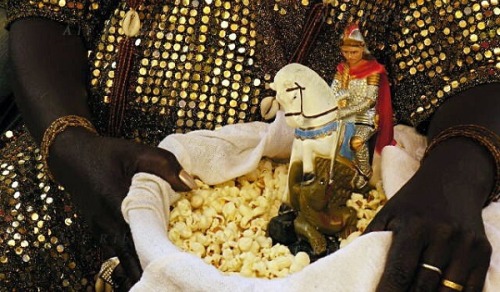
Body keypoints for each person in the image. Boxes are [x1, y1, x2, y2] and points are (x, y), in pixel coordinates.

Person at [1, 0, 498, 291]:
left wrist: (453, 177)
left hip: (304, 221)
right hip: (75, 181)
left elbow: (477, 65)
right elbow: (45, 12)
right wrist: (66, 141)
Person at [331, 23, 395, 189]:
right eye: (346, 52)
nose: (350, 56)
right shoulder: (342, 69)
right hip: (340, 114)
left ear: (362, 49)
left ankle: (364, 172)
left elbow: (370, 100)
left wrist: (346, 110)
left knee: (356, 142)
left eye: (354, 52)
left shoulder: (373, 71)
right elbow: (332, 92)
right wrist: (339, 98)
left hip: (364, 117)